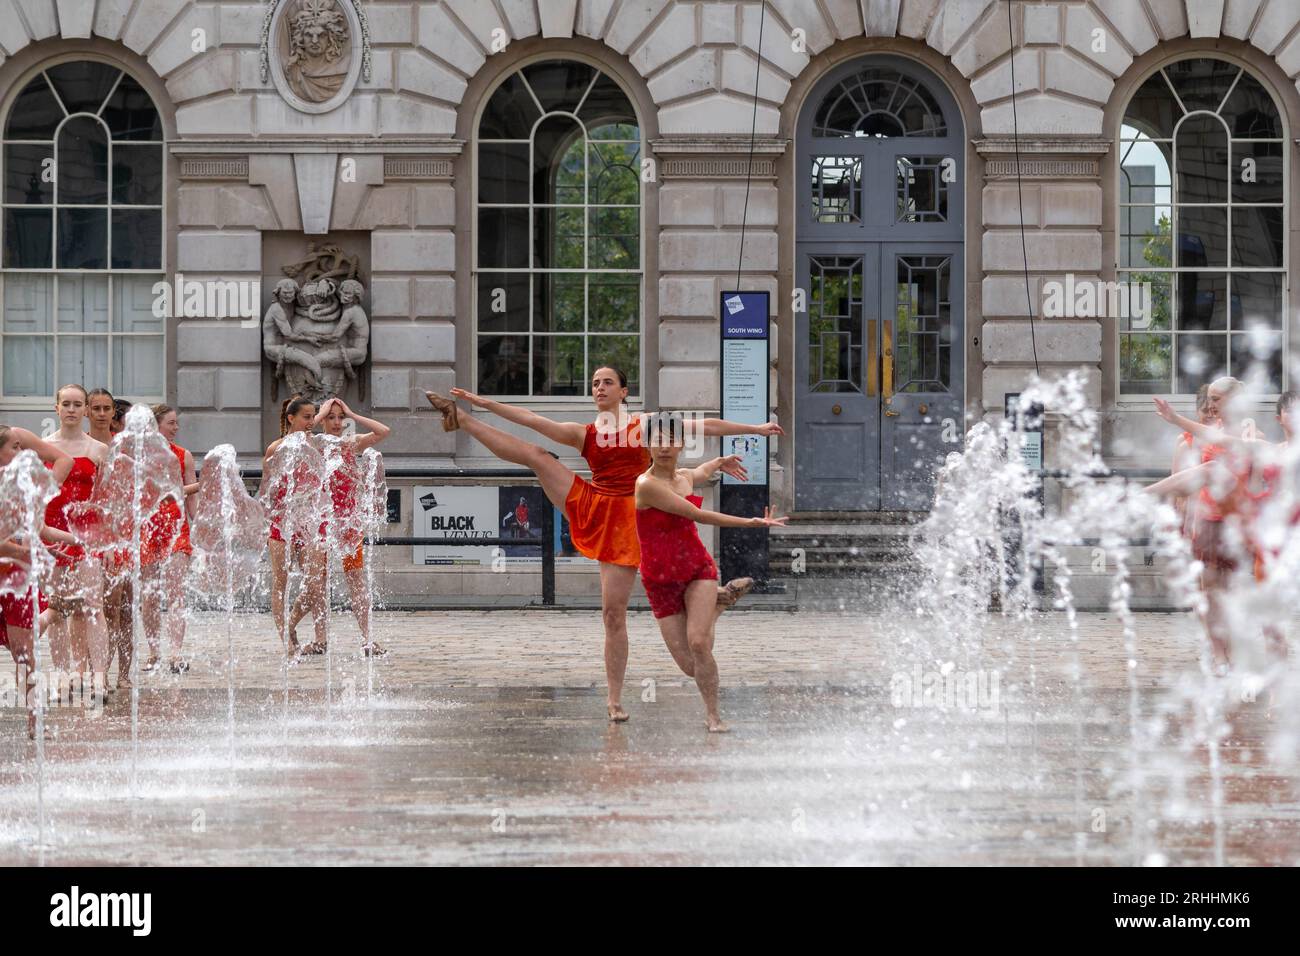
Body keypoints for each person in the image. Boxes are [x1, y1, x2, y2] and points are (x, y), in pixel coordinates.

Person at [426, 366, 783, 721]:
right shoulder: (584, 433)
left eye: (608, 382)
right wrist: (482, 404)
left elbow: (705, 426)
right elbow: (530, 418)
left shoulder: (644, 425)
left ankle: (710, 605)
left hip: (644, 509)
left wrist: (755, 429)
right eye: (595, 383)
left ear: (624, 391)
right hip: (599, 508)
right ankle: (614, 700)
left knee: (685, 638)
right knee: (611, 612)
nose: (600, 388)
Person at [633, 412, 787, 732]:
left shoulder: (684, 477)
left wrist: (717, 462)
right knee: (690, 666)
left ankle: (713, 715)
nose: (664, 447)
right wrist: (751, 523)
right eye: (657, 441)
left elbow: (698, 472)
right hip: (660, 580)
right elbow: (696, 515)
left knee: (699, 644)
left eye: (671, 441)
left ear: (681, 445)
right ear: (647, 445)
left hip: (697, 569)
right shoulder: (646, 485)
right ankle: (717, 608)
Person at [1145, 377, 1274, 667]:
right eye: (1210, 398)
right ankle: (1219, 654)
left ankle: (1237, 649)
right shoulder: (1207, 432)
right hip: (1206, 519)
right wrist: (1186, 519)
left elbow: (1254, 480)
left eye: (1216, 399)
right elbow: (1190, 482)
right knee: (1208, 589)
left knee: (1235, 590)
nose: (1210, 404)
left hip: (1235, 521)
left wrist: (1175, 418)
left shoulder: (1252, 433)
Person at [282, 397, 390, 657]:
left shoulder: (349, 444)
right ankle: (315, 637)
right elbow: (291, 440)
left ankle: (367, 639)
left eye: (340, 417)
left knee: (356, 581)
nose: (337, 422)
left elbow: (383, 432)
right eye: (332, 418)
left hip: (348, 522)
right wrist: (319, 415)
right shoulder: (314, 444)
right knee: (316, 583)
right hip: (320, 522)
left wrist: (352, 411)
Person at [0, 424, 76, 737]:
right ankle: (51, 612)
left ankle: (35, 721)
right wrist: (29, 552)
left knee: (24, 652)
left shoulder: (23, 490)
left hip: (17, 576)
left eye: (23, 447)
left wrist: (78, 542)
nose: (22, 454)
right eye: (14, 447)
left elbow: (40, 531)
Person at [43, 384, 110, 698]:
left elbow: (108, 499)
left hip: (87, 538)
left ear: (85, 410)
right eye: (65, 404)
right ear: (56, 408)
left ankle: (98, 677)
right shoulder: (42, 447)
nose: (71, 409)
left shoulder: (98, 449)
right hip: (51, 536)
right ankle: (60, 674)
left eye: (77, 404)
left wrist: (107, 540)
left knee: (93, 607)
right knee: (56, 608)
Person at [263, 396, 325, 659]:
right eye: (307, 417)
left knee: (315, 585)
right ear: (291, 418)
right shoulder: (276, 448)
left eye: (313, 417)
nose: (311, 422)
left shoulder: (316, 446)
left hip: (309, 522)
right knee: (281, 582)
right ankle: (286, 642)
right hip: (282, 521)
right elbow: (266, 489)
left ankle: (291, 625)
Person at [138, 405, 197, 675]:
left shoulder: (184, 455)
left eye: (176, 423)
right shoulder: (140, 456)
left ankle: (175, 653)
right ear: (156, 425)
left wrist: (198, 523)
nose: (176, 428)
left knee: (176, 594)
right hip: (148, 528)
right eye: (171, 423)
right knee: (149, 595)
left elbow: (190, 497)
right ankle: (153, 651)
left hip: (176, 527)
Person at [86, 389, 130, 688]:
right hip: (88, 534)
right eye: (96, 408)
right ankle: (95, 671)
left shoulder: (122, 448)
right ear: (89, 411)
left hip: (121, 533)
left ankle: (121, 673)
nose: (102, 414)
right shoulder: (82, 446)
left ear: (113, 412)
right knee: (92, 607)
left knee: (121, 607)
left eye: (107, 409)